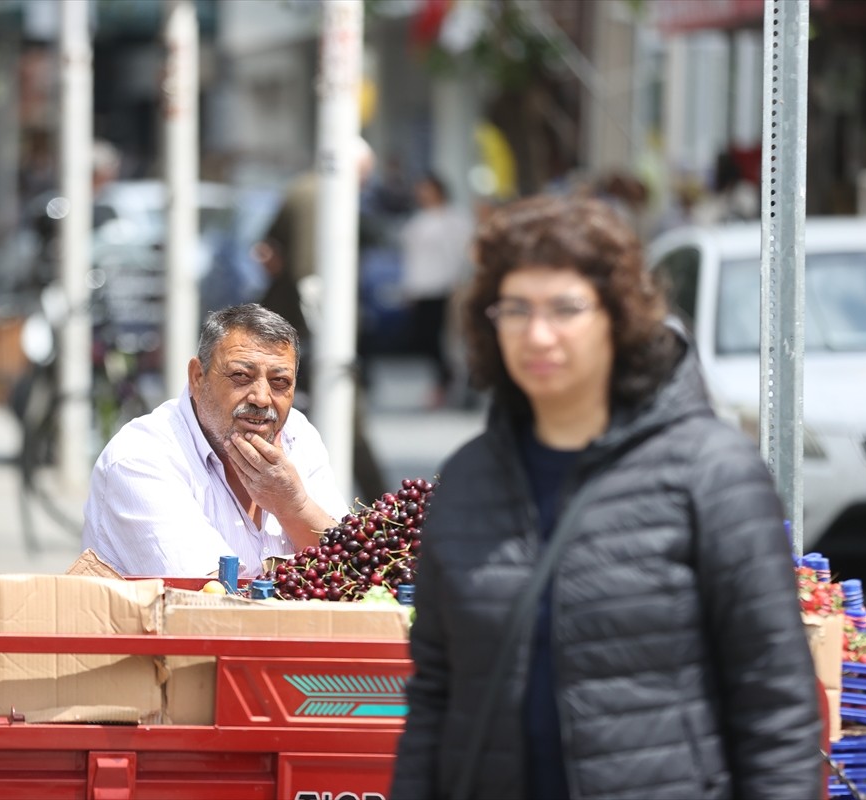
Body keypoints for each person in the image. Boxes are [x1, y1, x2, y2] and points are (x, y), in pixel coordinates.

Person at [391, 195, 822, 799]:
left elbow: (776, 704)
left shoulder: (713, 472)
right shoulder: (468, 480)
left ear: (615, 318)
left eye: (564, 309)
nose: (537, 334)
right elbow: (436, 695)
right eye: (515, 309)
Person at [81, 303, 348, 579]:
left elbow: (352, 570)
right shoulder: (141, 457)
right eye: (241, 377)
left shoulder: (298, 435)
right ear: (198, 378)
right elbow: (207, 600)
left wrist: (294, 505)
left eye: (279, 382)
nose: (261, 398)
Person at [257, 137, 388, 502]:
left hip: (285, 326)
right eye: (364, 178)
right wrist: (326, 333)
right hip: (306, 332)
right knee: (347, 415)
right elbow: (308, 274)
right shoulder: (322, 196)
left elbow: (266, 250)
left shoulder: (300, 189)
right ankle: (382, 507)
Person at [399, 172, 473, 408]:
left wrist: (458, 281)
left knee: (445, 339)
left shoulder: (454, 220)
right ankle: (445, 378)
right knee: (426, 338)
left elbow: (460, 254)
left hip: (444, 288)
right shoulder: (419, 219)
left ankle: (449, 381)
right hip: (422, 287)